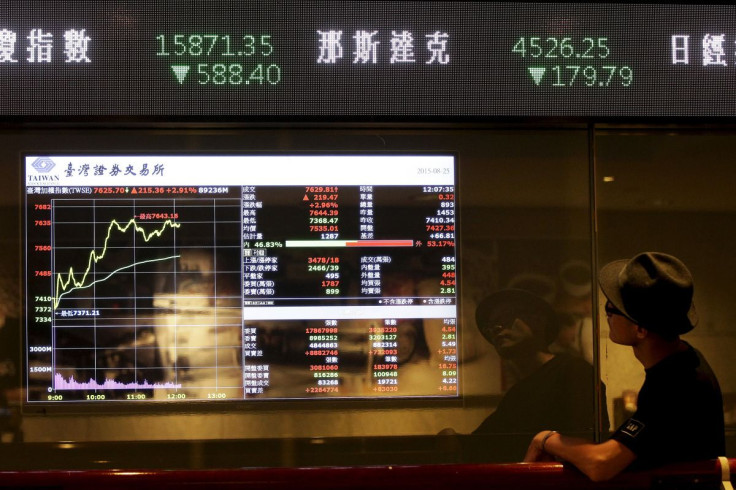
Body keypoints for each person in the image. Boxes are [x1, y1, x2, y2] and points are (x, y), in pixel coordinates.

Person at [524, 252, 725, 481]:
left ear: (640, 329)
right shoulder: (683, 362)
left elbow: (602, 463)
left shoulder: (676, 384)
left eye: (612, 309)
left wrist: (546, 439)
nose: (607, 313)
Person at [472, 289, 605, 459]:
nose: (496, 329)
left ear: (539, 320)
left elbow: (586, 447)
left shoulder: (573, 371)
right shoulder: (516, 395)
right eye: (489, 327)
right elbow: (479, 444)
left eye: (506, 318)